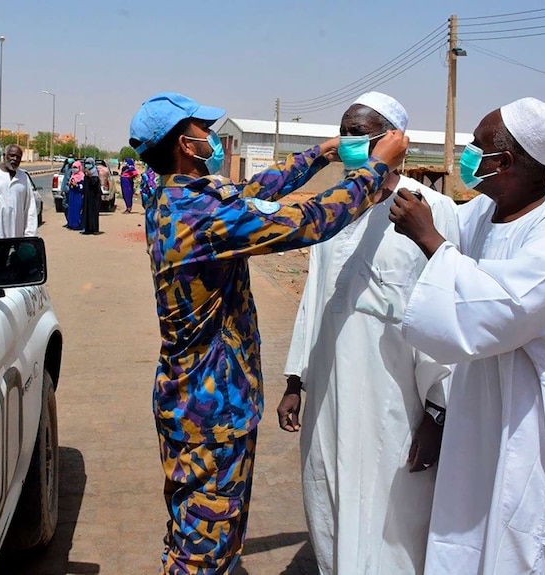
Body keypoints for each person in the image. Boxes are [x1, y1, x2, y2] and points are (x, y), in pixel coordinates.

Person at [128, 91, 408, 574]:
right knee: (202, 550)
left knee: (203, 530)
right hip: (210, 411)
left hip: (198, 403)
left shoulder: (177, 198)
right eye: (203, 130)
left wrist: (319, 153)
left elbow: (257, 190)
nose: (212, 138)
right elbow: (310, 221)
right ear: (184, 143)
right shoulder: (202, 216)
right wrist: (375, 168)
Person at [388, 97, 545, 574]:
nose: (469, 155)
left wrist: (430, 240)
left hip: (542, 413)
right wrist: (388, 178)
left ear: (506, 162)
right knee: (472, 523)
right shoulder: (480, 215)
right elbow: (443, 216)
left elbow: (507, 309)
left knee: (533, 532)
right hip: (484, 405)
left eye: (476, 147)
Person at [277, 92, 459, 575]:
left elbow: (447, 314)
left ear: (396, 141)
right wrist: (296, 378)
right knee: (328, 497)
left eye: (363, 132)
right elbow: (316, 295)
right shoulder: (334, 210)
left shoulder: (432, 211)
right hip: (330, 390)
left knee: (394, 517)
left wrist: (438, 412)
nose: (352, 142)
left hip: (396, 399)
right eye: (347, 132)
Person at [81, 157, 101, 235]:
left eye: (89, 163)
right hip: (87, 197)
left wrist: (89, 176)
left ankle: (95, 229)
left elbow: (94, 184)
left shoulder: (94, 173)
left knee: (93, 212)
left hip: (94, 197)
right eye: (86, 163)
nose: (87, 165)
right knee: (86, 211)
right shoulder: (86, 174)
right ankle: (87, 229)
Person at [66, 160, 85, 230]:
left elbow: (82, 187)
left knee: (77, 210)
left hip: (78, 195)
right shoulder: (73, 175)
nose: (74, 169)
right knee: (71, 209)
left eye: (76, 167)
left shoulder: (82, 176)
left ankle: (77, 224)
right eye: (73, 167)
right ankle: (71, 224)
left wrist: (76, 185)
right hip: (72, 195)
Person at [60, 156, 75, 225]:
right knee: (64, 205)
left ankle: (72, 221)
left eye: (71, 158)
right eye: (69, 157)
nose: (70, 159)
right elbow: (65, 179)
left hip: (72, 190)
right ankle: (68, 220)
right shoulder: (66, 166)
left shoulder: (75, 168)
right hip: (66, 189)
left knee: (72, 205)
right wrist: (62, 189)